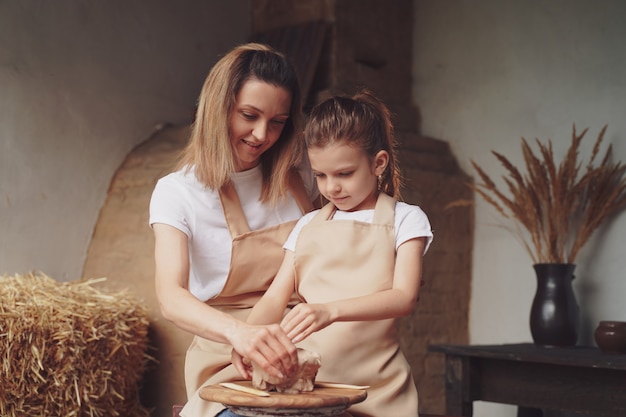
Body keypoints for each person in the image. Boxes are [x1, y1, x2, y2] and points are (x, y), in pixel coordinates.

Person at [234, 90, 433, 416]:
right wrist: (246, 338)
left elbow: (404, 297)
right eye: (320, 176)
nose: (331, 188)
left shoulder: (407, 219)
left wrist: (329, 311)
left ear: (378, 163)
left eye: (344, 174)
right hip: (309, 388)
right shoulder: (308, 224)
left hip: (378, 388)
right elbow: (274, 299)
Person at [149, 43, 319, 417]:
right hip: (229, 358)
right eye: (249, 115)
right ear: (218, 107)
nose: (262, 135)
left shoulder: (302, 173)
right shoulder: (177, 192)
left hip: (313, 344)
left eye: (278, 122)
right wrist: (242, 334)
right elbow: (170, 296)